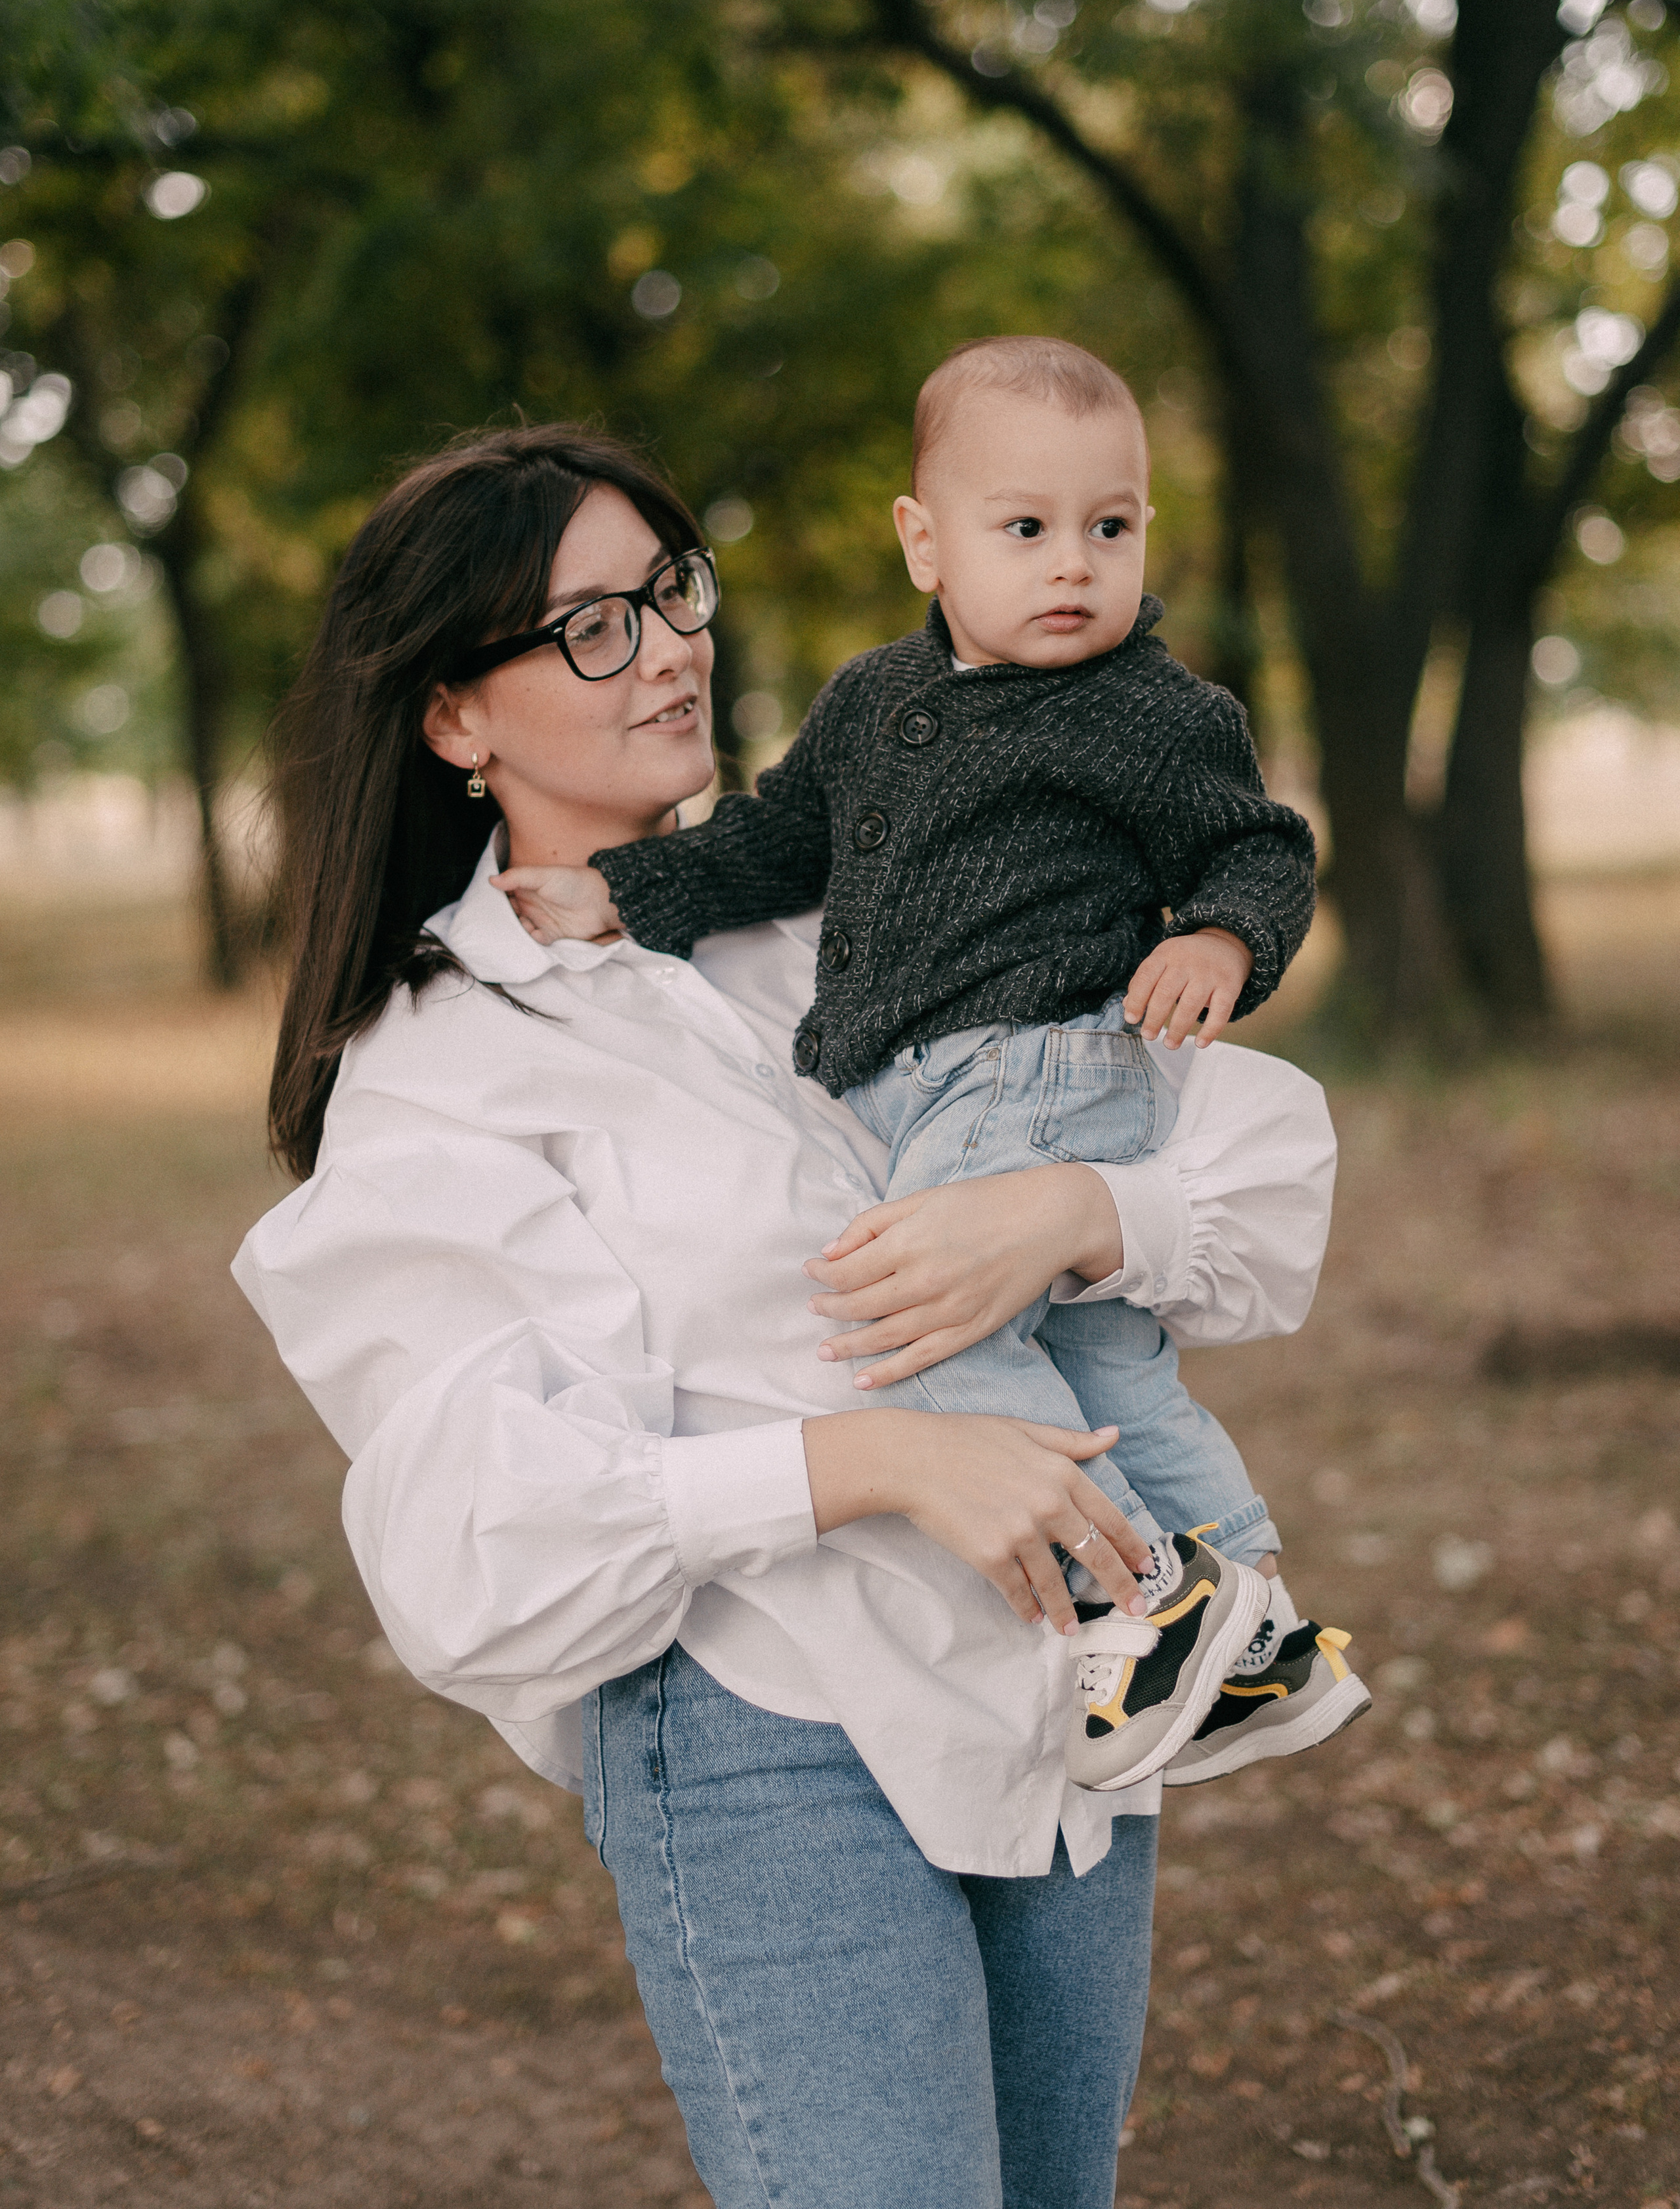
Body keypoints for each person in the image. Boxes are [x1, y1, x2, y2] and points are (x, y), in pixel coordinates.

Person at [233, 421, 1337, 2209]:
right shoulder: (443, 1065)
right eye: (593, 626)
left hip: (1070, 1699)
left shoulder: (871, 903)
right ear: (453, 717)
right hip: (770, 1727)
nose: (670, 650)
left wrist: (1079, 1214)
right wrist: (872, 1460)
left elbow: (1265, 1177)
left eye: (671, 591)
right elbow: (477, 1535)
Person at [490, 343, 1368, 1796]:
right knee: (1104, 1364)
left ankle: (1148, 1602)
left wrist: (1223, 935)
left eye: (1110, 525)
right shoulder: (867, 700)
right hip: (925, 1082)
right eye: (1024, 527)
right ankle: (1255, 1606)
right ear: (925, 540)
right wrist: (619, 893)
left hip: (1040, 1063)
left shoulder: (1155, 712)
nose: (1073, 563)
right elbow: (774, 843)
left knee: (923, 1318)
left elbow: (1258, 847)